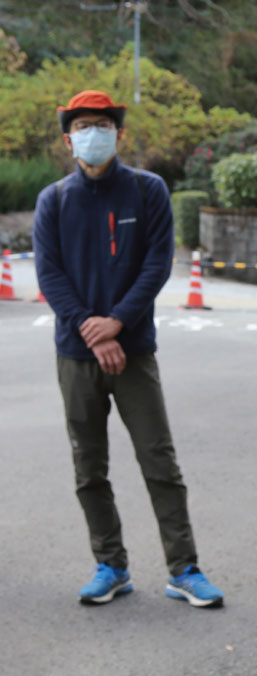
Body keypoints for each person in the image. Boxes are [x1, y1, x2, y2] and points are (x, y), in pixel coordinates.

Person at [33, 90, 224, 609]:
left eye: (102, 124)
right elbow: (49, 274)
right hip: (76, 355)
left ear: (118, 133)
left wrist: (116, 323)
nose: (92, 133)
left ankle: (184, 569)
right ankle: (110, 564)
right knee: (88, 467)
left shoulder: (147, 190)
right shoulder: (54, 199)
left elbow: (157, 265)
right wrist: (92, 330)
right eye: (82, 125)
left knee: (159, 462)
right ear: (68, 137)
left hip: (134, 350)